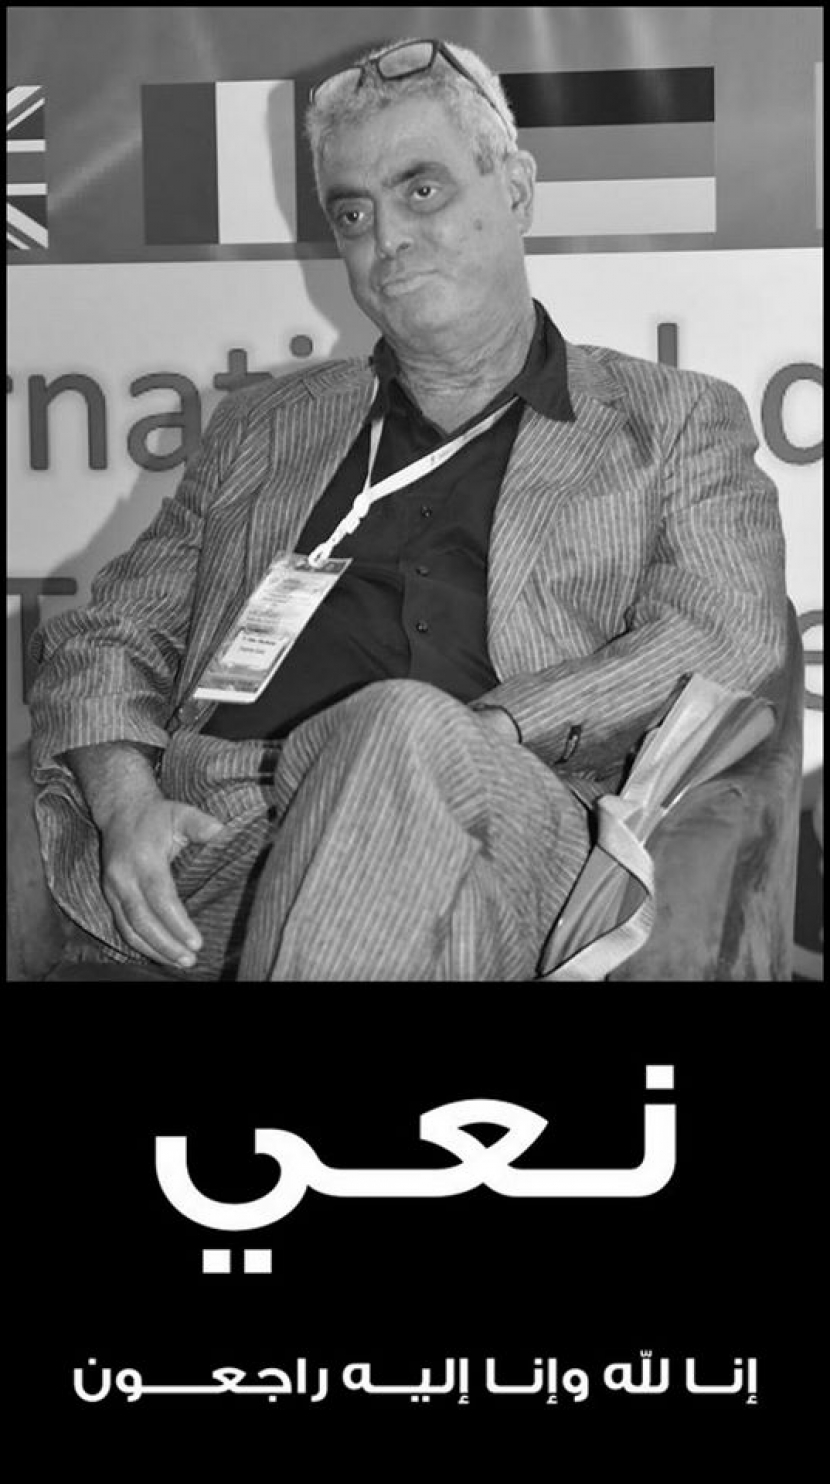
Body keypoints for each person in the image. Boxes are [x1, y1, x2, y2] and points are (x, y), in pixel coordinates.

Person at [28, 37, 788, 983]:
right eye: (354, 213)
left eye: (421, 190)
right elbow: (107, 633)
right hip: (228, 844)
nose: (386, 239)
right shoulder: (263, 426)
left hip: (513, 824)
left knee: (399, 728)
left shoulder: (672, 419)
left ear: (516, 190)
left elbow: (724, 634)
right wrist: (123, 801)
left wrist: (491, 729)